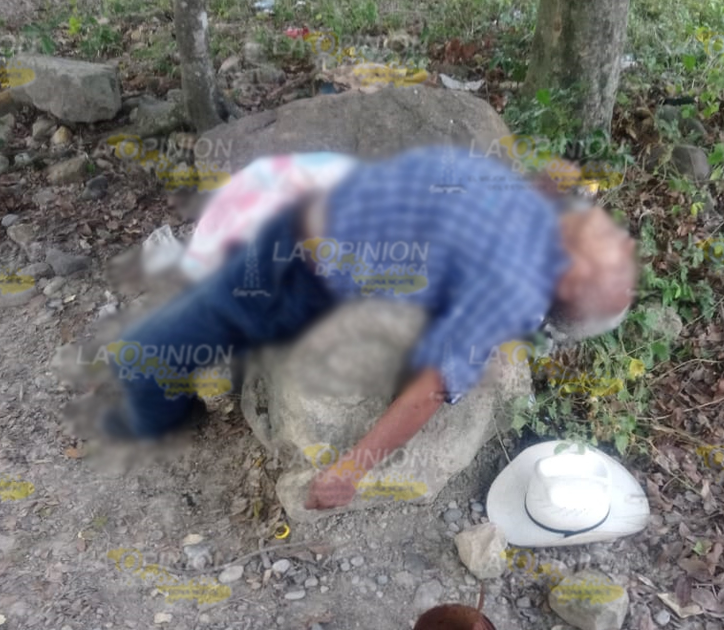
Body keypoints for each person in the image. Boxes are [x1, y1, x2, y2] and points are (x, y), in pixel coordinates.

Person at [99, 144, 640, 511]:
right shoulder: (540, 228)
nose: (622, 240)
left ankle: (151, 388)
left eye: (611, 256)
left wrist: (348, 471)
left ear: (570, 280)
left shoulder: (514, 286)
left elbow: (432, 387)